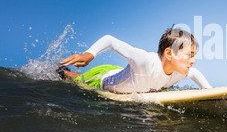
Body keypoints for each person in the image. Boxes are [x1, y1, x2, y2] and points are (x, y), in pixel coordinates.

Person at [57, 27, 212, 93]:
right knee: (77, 81)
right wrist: (88, 55)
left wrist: (208, 89)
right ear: (169, 54)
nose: (193, 61)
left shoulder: (179, 71)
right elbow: (110, 40)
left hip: (127, 77)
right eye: (189, 55)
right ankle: (64, 72)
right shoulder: (144, 61)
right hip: (101, 78)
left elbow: (195, 73)